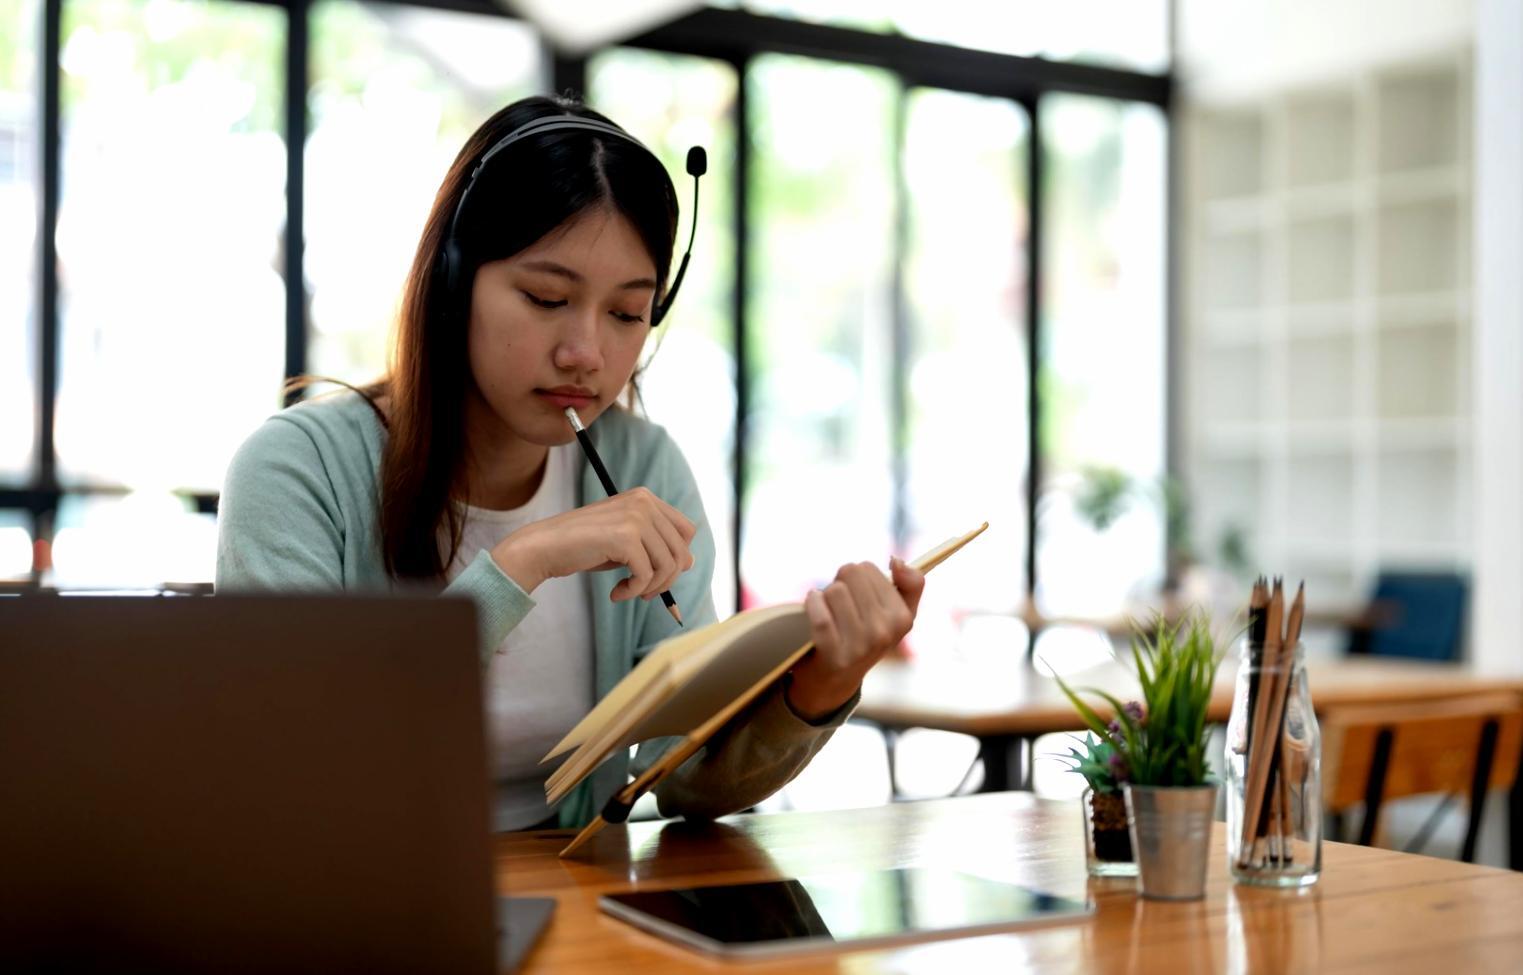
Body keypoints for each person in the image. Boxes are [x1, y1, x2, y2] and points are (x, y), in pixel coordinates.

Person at [216, 94, 925, 831]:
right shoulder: (296, 470)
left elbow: (684, 780)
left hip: (580, 905)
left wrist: (823, 681)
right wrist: (523, 562)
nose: (585, 352)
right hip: (370, 909)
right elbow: (298, 760)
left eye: (626, 314)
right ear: (454, 283)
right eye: (546, 297)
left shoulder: (643, 463)